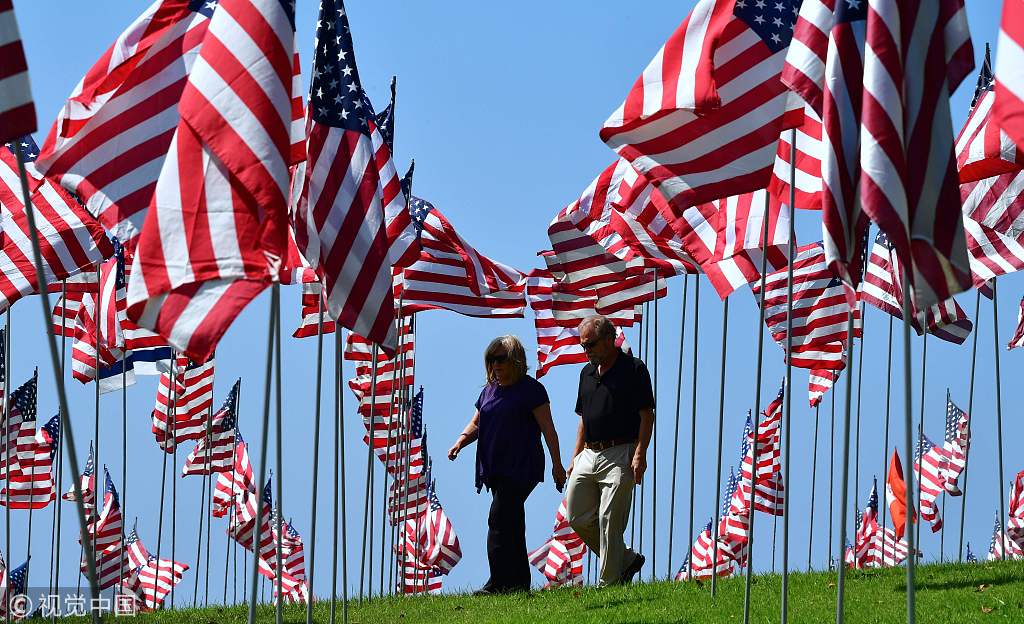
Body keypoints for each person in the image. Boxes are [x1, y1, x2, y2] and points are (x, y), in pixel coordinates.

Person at [448, 335, 566, 594]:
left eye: (501, 359)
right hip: (496, 468)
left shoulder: (531, 389)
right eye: (491, 359)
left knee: (499, 518)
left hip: (522, 466)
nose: (496, 365)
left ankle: (498, 582)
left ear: (516, 360)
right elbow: (477, 423)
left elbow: (548, 429)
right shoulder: (489, 391)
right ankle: (518, 584)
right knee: (511, 521)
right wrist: (459, 441)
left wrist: (558, 466)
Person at [565, 314, 654, 586]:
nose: (586, 350)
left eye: (590, 344)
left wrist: (640, 454)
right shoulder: (586, 373)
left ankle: (609, 583)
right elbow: (584, 418)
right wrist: (575, 455)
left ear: (609, 340)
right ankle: (625, 560)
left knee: (609, 520)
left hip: (621, 453)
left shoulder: (634, 369)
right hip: (589, 454)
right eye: (583, 345)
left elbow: (646, 414)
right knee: (577, 517)